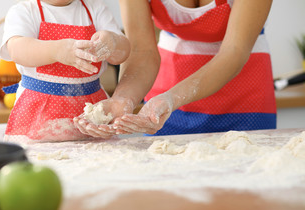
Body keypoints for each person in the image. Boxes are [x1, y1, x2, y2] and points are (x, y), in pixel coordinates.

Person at [73, 0, 276, 137]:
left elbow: (234, 51)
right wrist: (122, 99)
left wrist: (172, 98)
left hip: (244, 98)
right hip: (165, 103)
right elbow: (141, 51)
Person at [0, 0, 130, 143]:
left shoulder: (95, 9)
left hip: (92, 111)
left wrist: (113, 42)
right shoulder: (25, 11)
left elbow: (123, 51)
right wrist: (56, 50)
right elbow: (17, 50)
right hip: (38, 113)